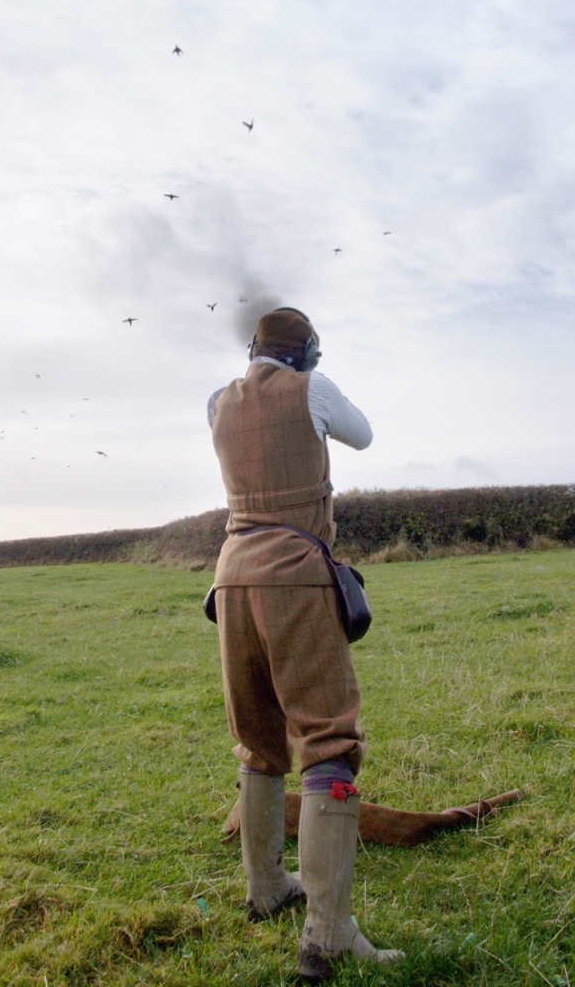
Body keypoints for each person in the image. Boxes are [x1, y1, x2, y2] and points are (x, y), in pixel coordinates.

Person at [207, 307, 403, 980]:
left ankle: (266, 888)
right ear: (306, 353)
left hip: (230, 575)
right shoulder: (312, 389)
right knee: (328, 739)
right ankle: (327, 931)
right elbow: (365, 436)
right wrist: (317, 381)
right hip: (295, 572)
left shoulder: (218, 402)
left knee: (258, 739)